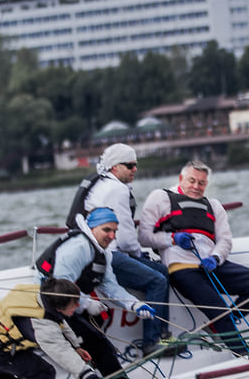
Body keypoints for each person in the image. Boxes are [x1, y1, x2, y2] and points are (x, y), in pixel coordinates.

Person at [138, 160, 249, 355]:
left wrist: (216, 257)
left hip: (212, 264)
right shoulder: (160, 198)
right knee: (219, 310)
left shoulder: (213, 205)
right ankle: (245, 354)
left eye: (202, 183)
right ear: (181, 179)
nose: (196, 186)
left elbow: (225, 241)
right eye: (192, 180)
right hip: (182, 268)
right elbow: (143, 237)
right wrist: (173, 238)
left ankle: (216, 325)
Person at [66, 143, 172, 353]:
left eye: (135, 165)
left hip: (100, 251)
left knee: (162, 271)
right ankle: (152, 342)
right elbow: (124, 238)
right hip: (108, 254)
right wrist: (140, 254)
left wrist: (139, 256)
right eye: (130, 165)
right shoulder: (117, 189)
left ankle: (164, 335)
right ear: (115, 167)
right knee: (158, 280)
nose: (135, 170)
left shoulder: (102, 183)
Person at [35, 207, 156, 379]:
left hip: (68, 303)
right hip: (49, 303)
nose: (112, 236)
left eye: (115, 231)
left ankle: (97, 371)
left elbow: (109, 285)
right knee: (98, 342)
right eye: (106, 230)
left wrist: (135, 305)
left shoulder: (102, 252)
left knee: (99, 323)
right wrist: (86, 303)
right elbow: (60, 283)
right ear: (92, 228)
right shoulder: (78, 247)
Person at [0, 277, 116, 379]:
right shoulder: (41, 326)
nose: (78, 306)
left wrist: (76, 347)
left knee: (22, 339)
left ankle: (0, 375)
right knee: (44, 373)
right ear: (61, 306)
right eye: (75, 303)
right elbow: (61, 351)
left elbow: (60, 322)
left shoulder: (44, 296)